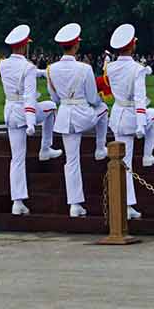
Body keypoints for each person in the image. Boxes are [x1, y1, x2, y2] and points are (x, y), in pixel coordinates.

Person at [46, 23, 102, 217]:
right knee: (102, 109)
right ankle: (100, 147)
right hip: (83, 115)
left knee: (71, 161)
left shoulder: (51, 69)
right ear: (76, 45)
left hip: (64, 116)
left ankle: (75, 204)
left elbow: (53, 98)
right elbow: (93, 99)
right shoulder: (85, 69)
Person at [105, 24, 150, 220]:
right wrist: (141, 124)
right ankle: (128, 204)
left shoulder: (111, 67)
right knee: (126, 162)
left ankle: (124, 203)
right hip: (131, 114)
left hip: (117, 114)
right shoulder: (137, 69)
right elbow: (140, 99)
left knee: (121, 162)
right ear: (132, 46)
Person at [0, 24, 41, 216]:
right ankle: (46, 146)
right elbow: (30, 97)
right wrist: (31, 122)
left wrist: (44, 72)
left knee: (17, 158)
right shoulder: (28, 67)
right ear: (24, 46)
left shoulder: (3, 64)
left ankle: (18, 201)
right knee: (50, 108)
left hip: (10, 110)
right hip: (24, 112)